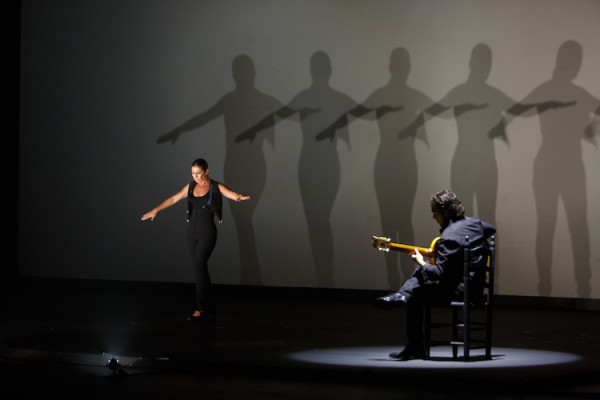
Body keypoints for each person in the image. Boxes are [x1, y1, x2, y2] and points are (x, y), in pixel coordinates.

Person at [374, 190, 495, 360]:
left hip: (461, 291)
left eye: (435, 213)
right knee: (422, 274)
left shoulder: (449, 236)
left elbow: (437, 273)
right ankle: (402, 294)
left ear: (446, 212)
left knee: (418, 290)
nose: (433, 218)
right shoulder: (474, 224)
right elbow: (492, 229)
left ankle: (415, 344)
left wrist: (420, 261)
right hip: (476, 288)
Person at [141, 158, 250, 320]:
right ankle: (211, 306)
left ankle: (200, 308)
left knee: (198, 265)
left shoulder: (215, 187)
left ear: (207, 171)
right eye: (193, 173)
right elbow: (173, 199)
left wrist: (238, 196)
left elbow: (231, 194)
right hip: (191, 234)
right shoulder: (190, 187)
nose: (196, 176)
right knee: (200, 269)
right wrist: (155, 210)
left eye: (199, 173)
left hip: (207, 233)